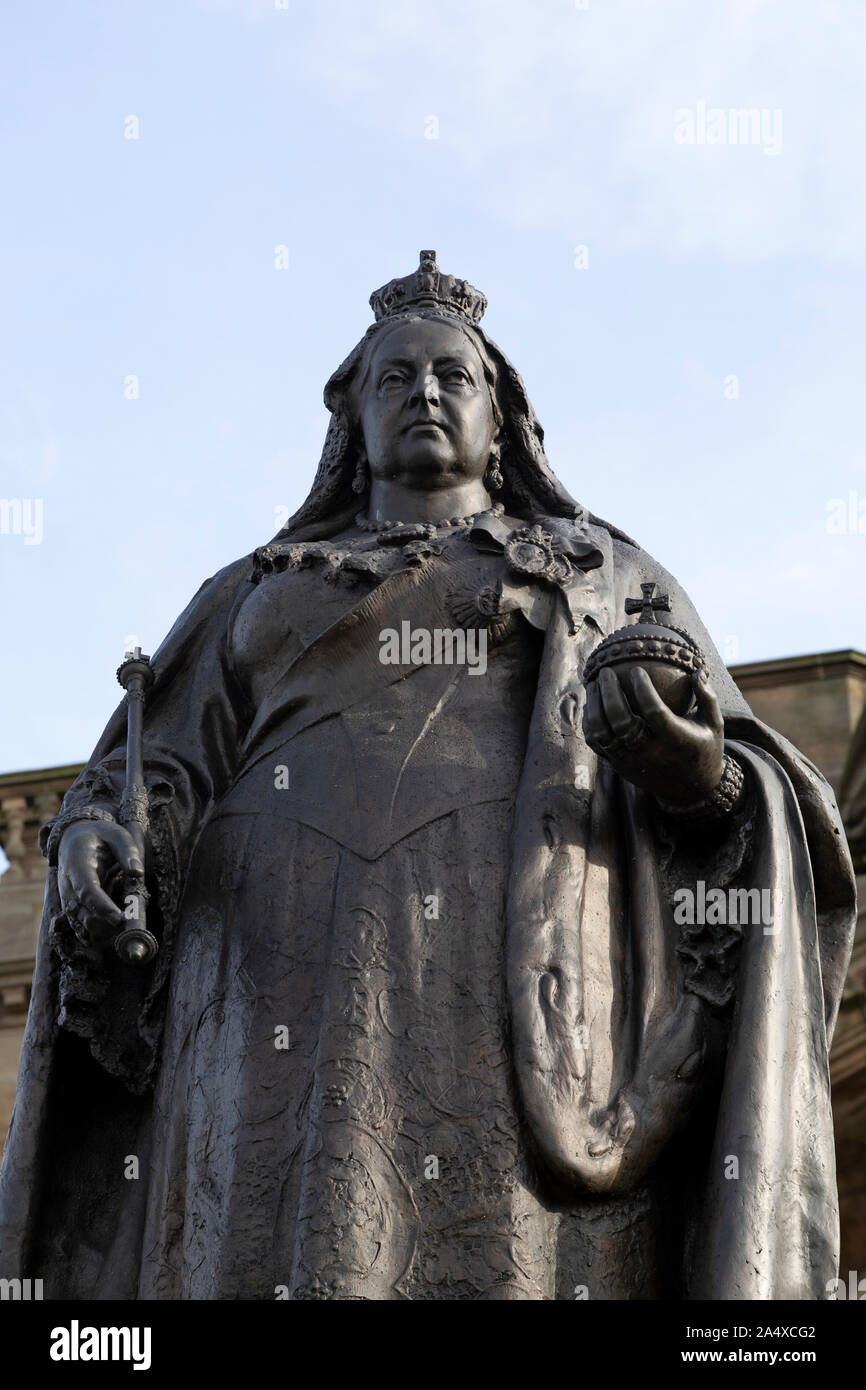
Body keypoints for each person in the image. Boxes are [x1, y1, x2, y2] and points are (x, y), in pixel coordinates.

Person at [0, 252, 855, 1299]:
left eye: (453, 376)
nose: (424, 394)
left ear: (502, 420)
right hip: (265, 972)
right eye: (393, 378)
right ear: (350, 421)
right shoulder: (250, 592)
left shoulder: (602, 574)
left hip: (518, 970)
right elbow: (155, 769)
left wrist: (693, 769)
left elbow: (750, 789)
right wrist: (100, 834)